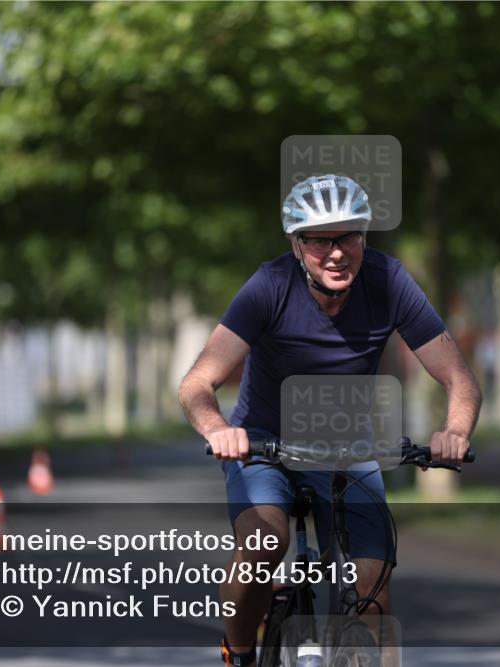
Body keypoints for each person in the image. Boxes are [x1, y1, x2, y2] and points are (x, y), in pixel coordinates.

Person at [178, 174, 482, 666]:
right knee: (265, 539)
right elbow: (196, 383)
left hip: (346, 447)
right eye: (319, 240)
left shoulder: (389, 283)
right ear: (297, 246)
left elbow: (460, 378)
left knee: (375, 591)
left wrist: (456, 431)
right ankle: (239, 652)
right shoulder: (269, 286)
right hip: (263, 445)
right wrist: (219, 430)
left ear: (364, 238)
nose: (336, 252)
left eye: (348, 237)